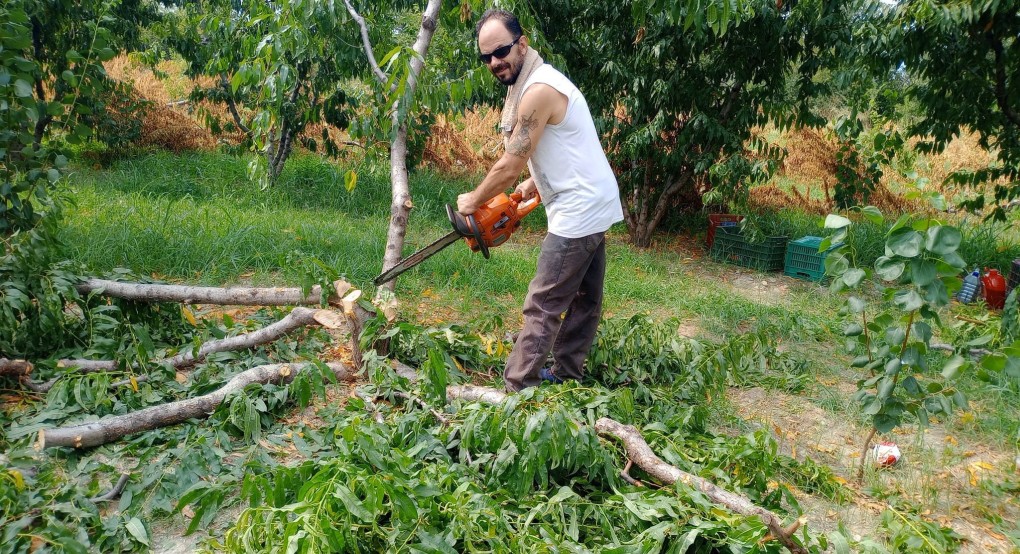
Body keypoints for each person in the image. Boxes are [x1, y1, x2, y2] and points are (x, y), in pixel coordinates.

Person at [457, 9, 623, 392]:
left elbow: (507, 166)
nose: (496, 62)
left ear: (523, 43)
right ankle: (567, 373)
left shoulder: (538, 91)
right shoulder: (535, 84)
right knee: (584, 297)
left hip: (579, 209)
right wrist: (537, 180)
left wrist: (472, 202)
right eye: (487, 57)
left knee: (543, 303)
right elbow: (566, 145)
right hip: (593, 199)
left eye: (501, 51)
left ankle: (518, 388)